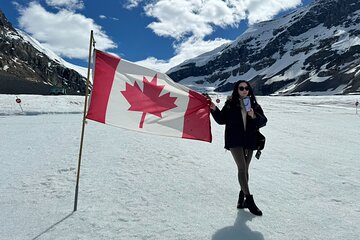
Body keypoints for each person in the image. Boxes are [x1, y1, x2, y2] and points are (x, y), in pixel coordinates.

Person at [209, 80, 267, 216]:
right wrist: (213, 109)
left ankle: (241, 199)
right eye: (241, 88)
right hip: (235, 140)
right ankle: (249, 200)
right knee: (241, 168)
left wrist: (254, 115)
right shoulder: (230, 104)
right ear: (237, 90)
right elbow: (222, 120)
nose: (244, 90)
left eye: (247, 88)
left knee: (245, 169)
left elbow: (263, 121)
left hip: (250, 140)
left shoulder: (253, 104)